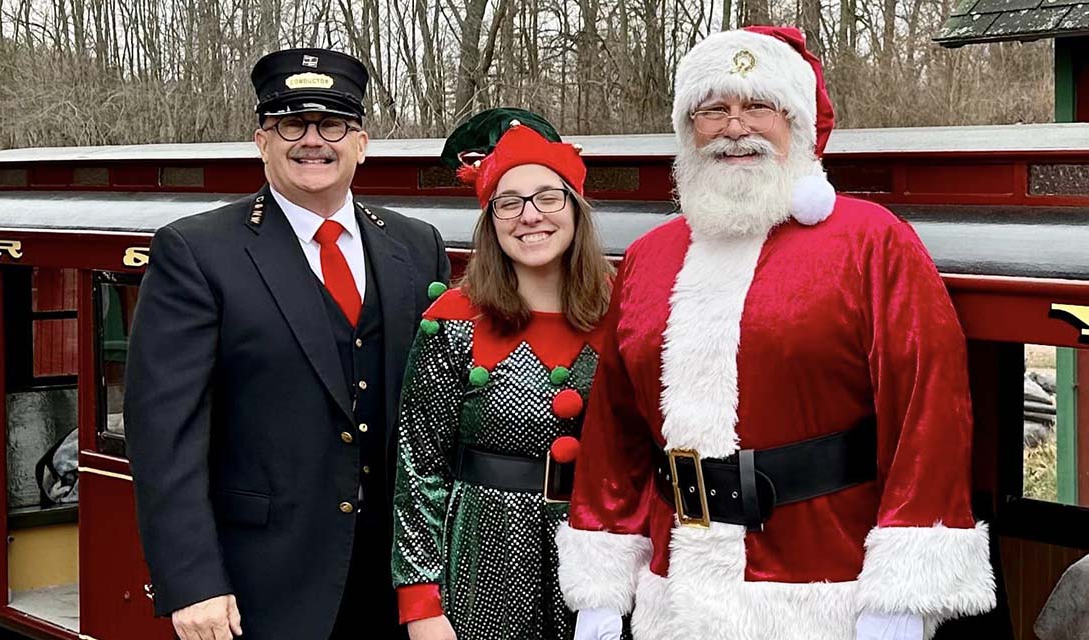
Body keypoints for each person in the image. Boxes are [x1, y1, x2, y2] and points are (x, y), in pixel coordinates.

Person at [556, 26, 996, 640]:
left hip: (823, 589)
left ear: (797, 122)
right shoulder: (651, 256)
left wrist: (902, 596)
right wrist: (602, 586)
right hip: (674, 586)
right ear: (689, 130)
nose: (735, 127)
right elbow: (614, 427)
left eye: (758, 106)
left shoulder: (871, 241)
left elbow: (928, 411)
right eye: (714, 109)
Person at [125, 47, 451, 640]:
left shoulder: (415, 245)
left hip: (397, 581)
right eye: (290, 124)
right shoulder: (197, 252)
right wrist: (192, 580)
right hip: (259, 585)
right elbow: (163, 432)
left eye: (332, 124)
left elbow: (438, 412)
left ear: (361, 142)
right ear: (261, 140)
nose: (312, 141)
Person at [391, 109, 615, 640]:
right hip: (485, 560)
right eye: (508, 203)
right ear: (491, 221)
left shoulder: (624, 315)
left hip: (601, 563)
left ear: (576, 210)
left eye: (547, 197)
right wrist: (421, 604)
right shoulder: (452, 321)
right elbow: (420, 469)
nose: (529, 215)